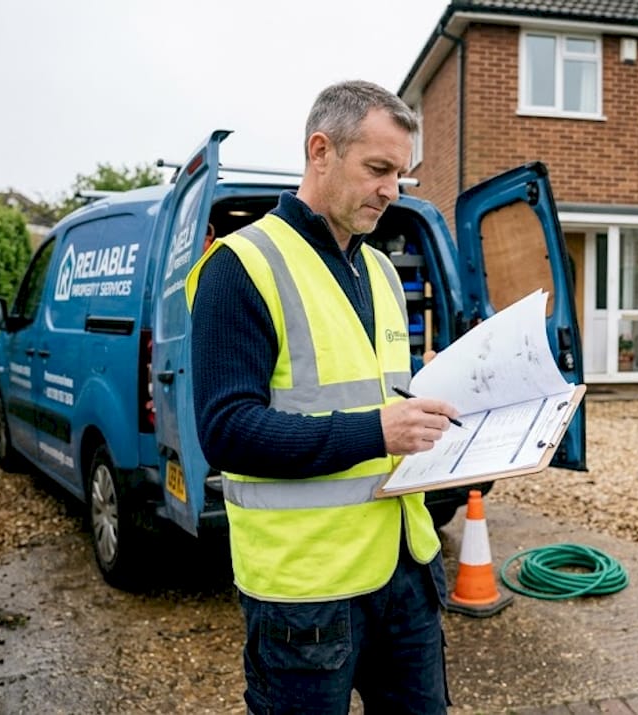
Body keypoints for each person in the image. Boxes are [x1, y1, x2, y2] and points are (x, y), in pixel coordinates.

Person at [185, 80, 459, 714]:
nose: (393, 190)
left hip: (405, 569)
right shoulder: (242, 264)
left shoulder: (382, 270)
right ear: (320, 151)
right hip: (305, 596)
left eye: (401, 174)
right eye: (378, 169)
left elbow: (378, 390)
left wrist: (437, 391)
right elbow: (226, 431)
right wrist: (378, 432)